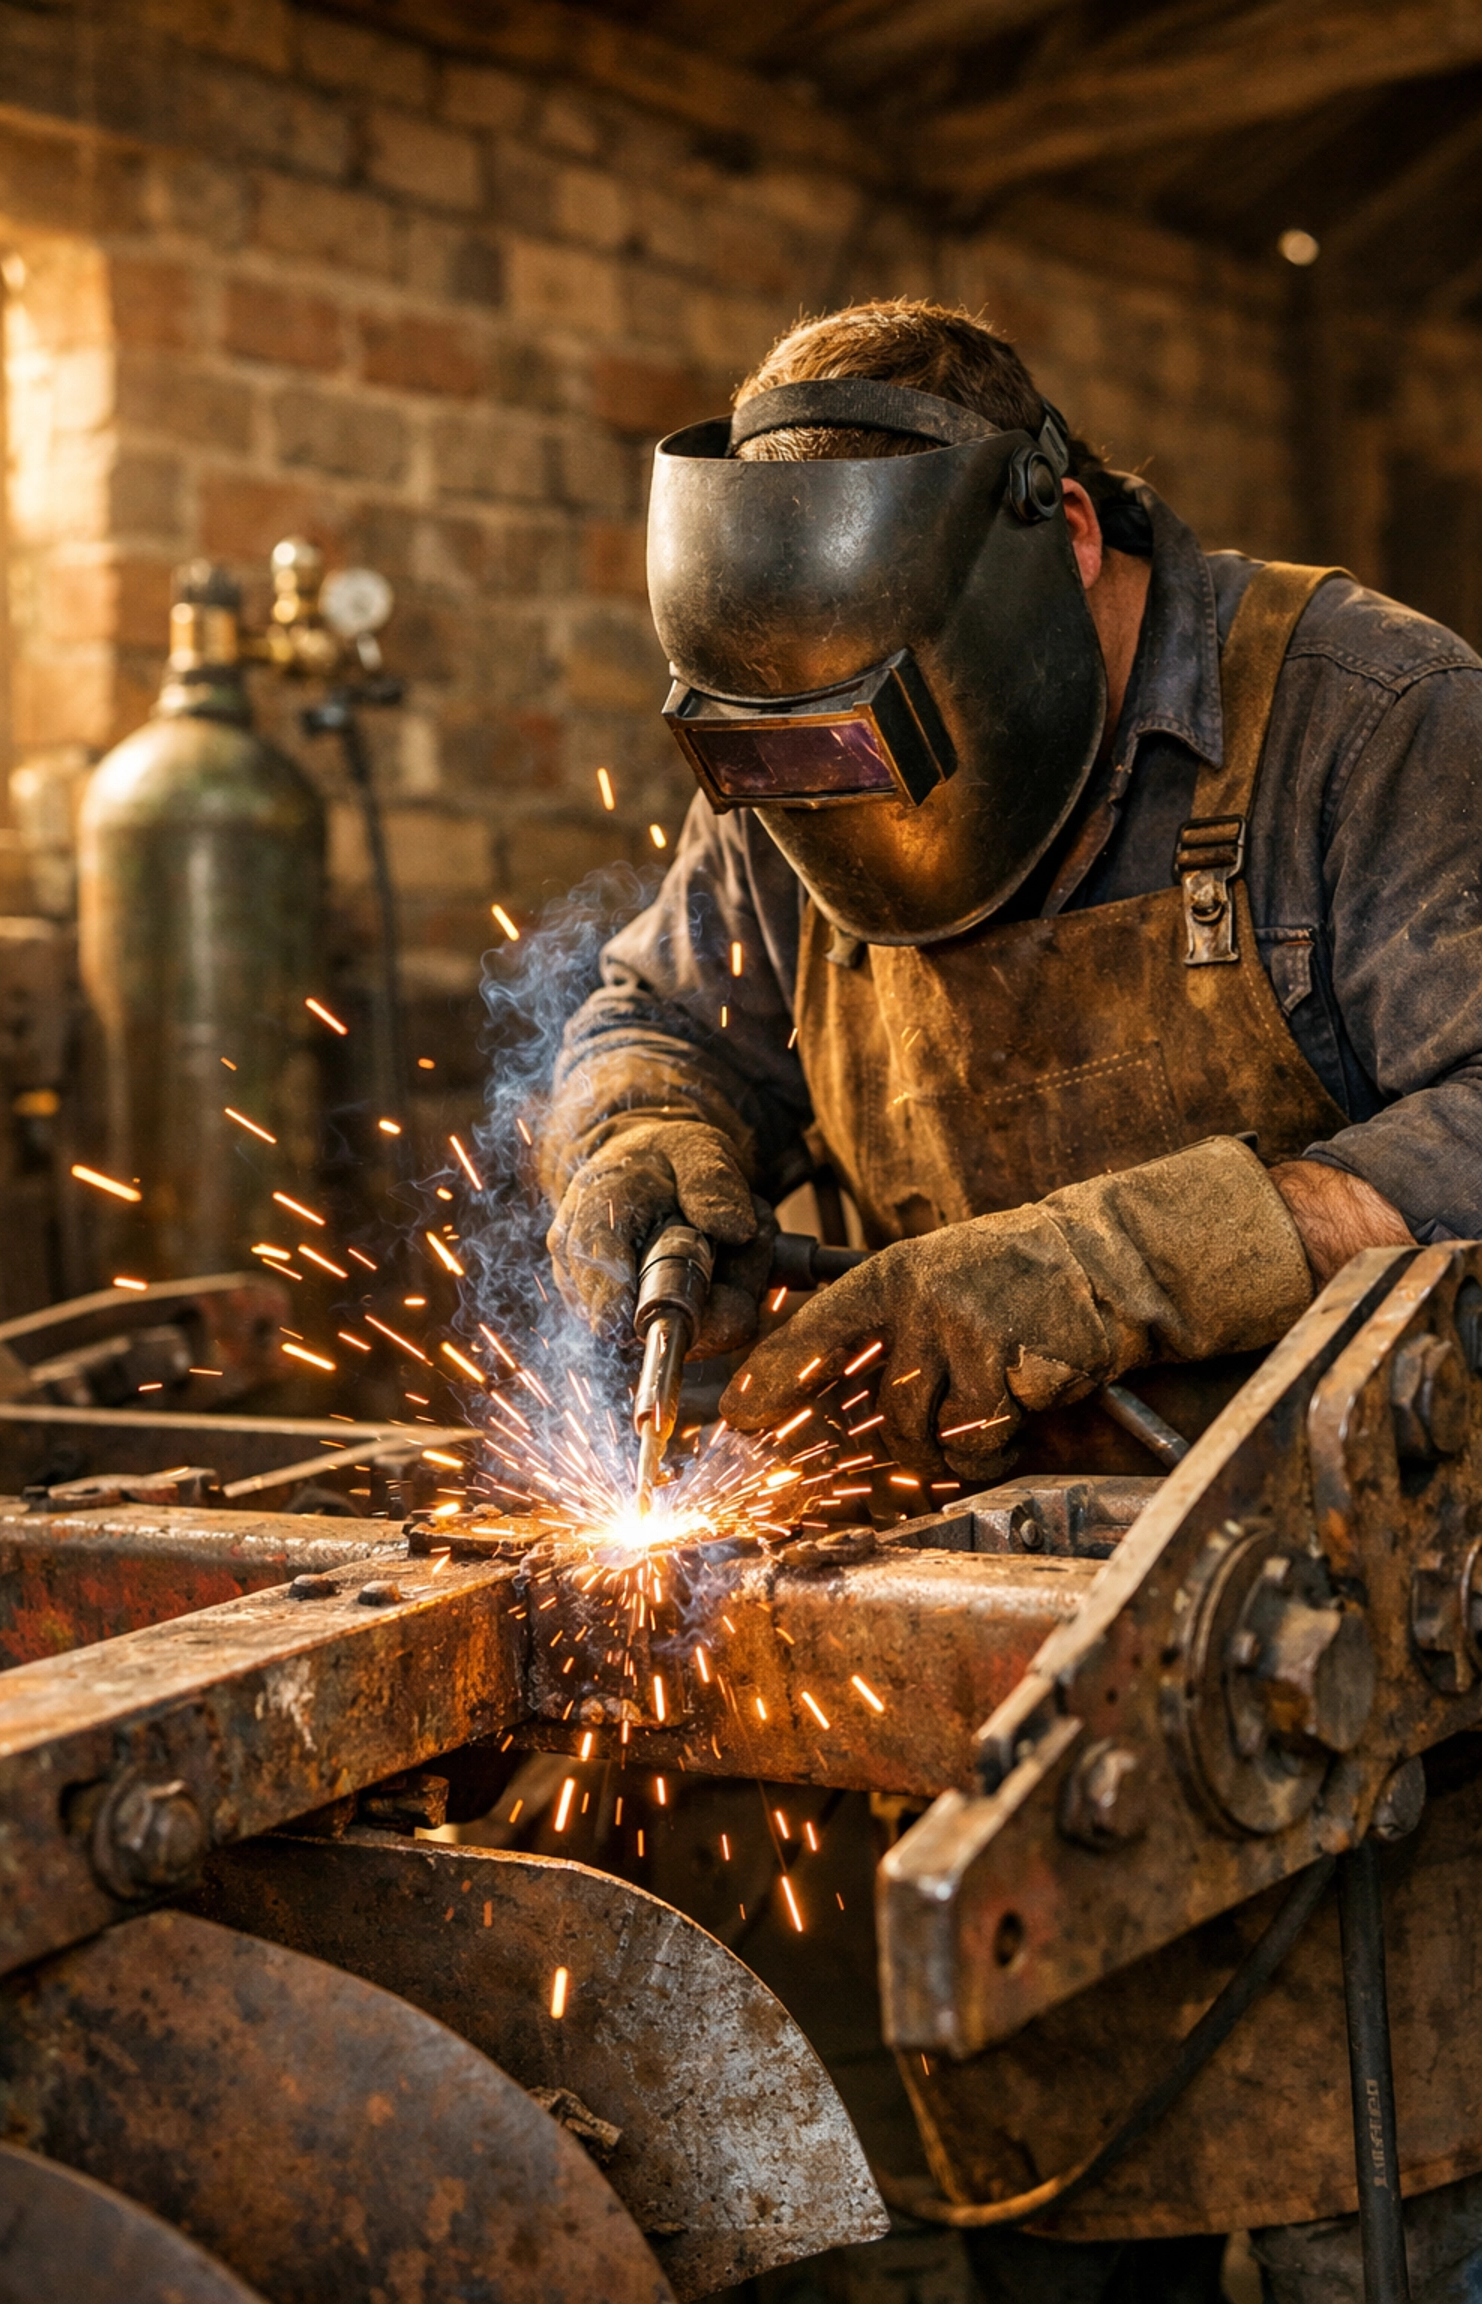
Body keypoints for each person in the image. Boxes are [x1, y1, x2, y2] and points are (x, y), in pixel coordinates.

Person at [536, 298, 1482, 2299]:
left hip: (1361, 1705)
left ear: (1056, 543)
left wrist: (1131, 1260)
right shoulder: (794, 763)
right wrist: (644, 1143)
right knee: (1049, 2242)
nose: (842, 817)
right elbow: (648, 1017)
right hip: (1003, 1715)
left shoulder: (1371, 719)